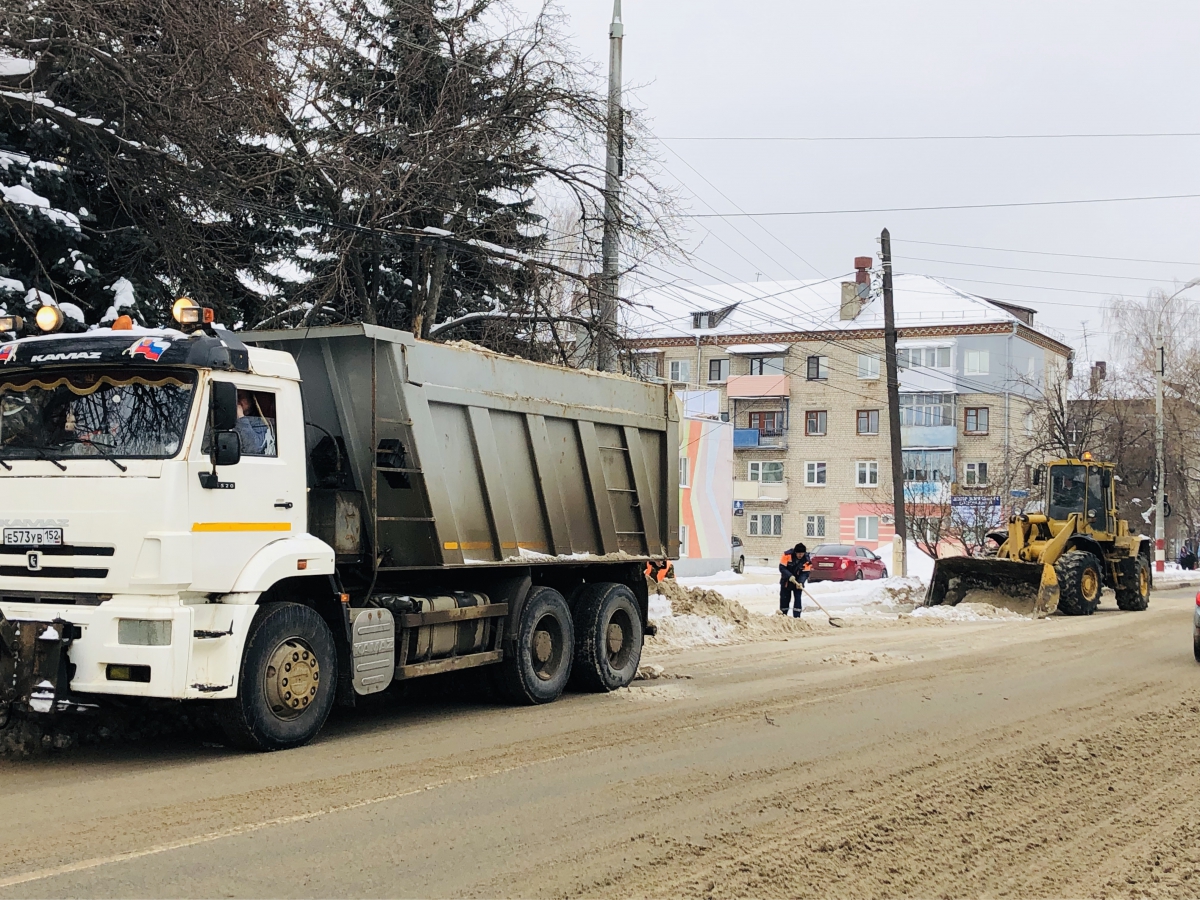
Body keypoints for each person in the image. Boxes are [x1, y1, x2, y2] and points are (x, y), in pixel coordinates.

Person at [778, 542, 810, 618]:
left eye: (802, 554)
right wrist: (790, 576)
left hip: (798, 583)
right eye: (799, 554)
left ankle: (797, 618)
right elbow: (782, 567)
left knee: (798, 600)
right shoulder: (787, 555)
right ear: (795, 552)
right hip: (786, 581)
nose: (800, 555)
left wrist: (801, 582)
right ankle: (783, 616)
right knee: (784, 599)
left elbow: (805, 573)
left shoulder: (807, 559)